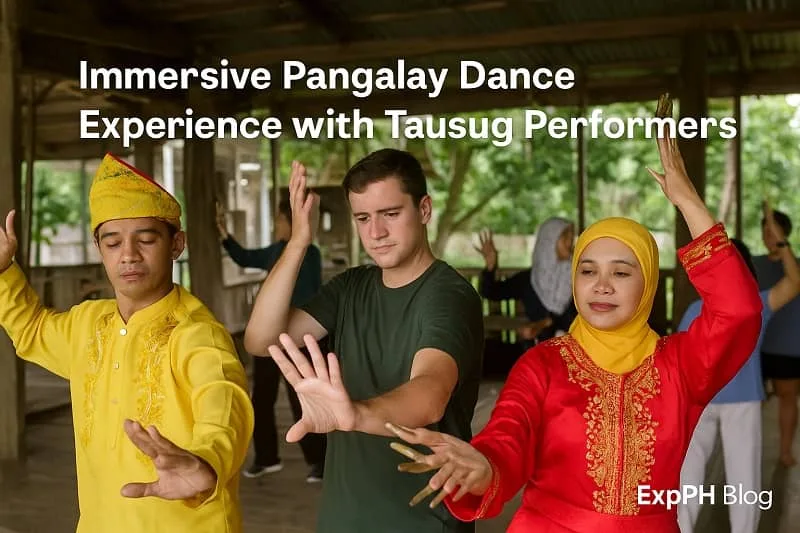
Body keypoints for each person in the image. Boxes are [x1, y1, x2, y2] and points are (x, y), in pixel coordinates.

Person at [383, 95, 763, 533]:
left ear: (648, 288)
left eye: (621, 272)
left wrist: (689, 203)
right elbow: (509, 435)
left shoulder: (679, 365)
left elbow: (740, 312)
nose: (601, 285)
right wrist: (485, 465)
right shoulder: (543, 364)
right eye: (587, 270)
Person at [0, 154, 254, 533]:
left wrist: (204, 461)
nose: (129, 255)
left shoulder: (197, 334)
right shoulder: (87, 323)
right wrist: (4, 271)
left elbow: (223, 407)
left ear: (176, 243)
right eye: (113, 242)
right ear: (99, 248)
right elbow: (33, 329)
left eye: (147, 239)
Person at [243, 148, 485, 533]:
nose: (376, 232)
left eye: (390, 214)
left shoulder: (448, 295)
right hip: (344, 517)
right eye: (363, 218)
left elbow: (430, 395)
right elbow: (261, 339)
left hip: (419, 522)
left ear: (424, 209)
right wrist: (297, 243)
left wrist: (355, 414)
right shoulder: (350, 287)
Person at [677, 217, 800, 533]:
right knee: (699, 475)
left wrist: (781, 243)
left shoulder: (756, 304)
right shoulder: (712, 308)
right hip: (704, 400)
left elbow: (794, 281)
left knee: (722, 477)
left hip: (730, 400)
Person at [215, 199, 326, 482]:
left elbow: (307, 298)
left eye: (279, 220)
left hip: (297, 338)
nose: (277, 224)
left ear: (293, 222)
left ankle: (319, 461)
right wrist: (224, 234)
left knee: (301, 398)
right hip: (269, 339)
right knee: (261, 399)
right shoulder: (277, 251)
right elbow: (244, 258)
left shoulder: (309, 254)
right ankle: (266, 458)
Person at [475, 217, 576, 346]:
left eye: (572, 237)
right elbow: (491, 293)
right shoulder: (528, 279)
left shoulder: (579, 276)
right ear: (549, 241)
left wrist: (543, 324)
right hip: (537, 353)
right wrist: (491, 266)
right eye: (566, 237)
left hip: (573, 353)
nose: (571, 242)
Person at [752, 208, 800, 466]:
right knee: (752, 403)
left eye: (774, 231)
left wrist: (783, 246)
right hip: (755, 347)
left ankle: (784, 451)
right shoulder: (754, 264)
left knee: (787, 397)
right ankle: (749, 453)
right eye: (766, 231)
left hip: (788, 346)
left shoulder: (795, 265)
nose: (769, 235)